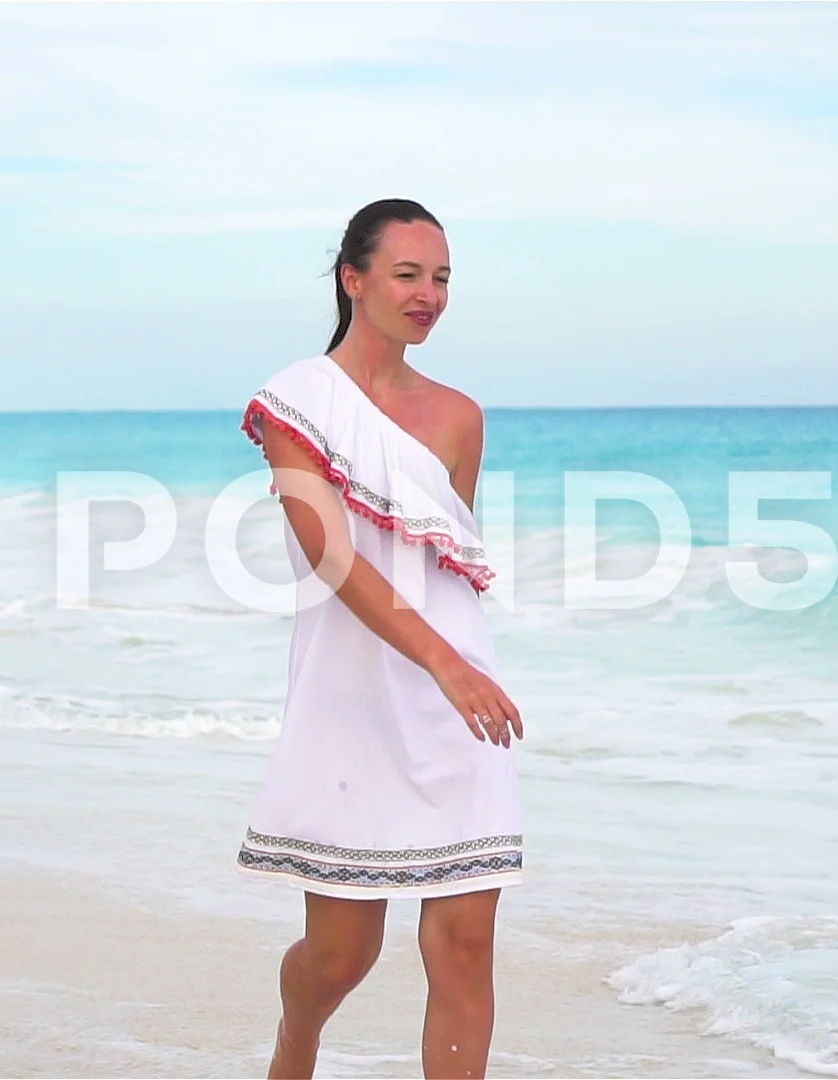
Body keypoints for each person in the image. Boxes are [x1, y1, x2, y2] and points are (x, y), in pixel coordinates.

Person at [233, 198, 526, 1080]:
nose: (428, 294)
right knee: (341, 959)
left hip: (458, 703)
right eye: (408, 274)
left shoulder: (461, 416)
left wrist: (455, 666)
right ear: (352, 280)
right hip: (355, 694)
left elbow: (445, 565)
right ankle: (296, 1042)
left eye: (441, 278)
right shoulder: (295, 403)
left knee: (466, 943)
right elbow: (331, 556)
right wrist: (441, 662)